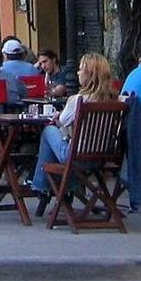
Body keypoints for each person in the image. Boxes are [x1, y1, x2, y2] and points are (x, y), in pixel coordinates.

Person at [30, 53, 118, 195]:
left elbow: (62, 122)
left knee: (49, 130)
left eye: (81, 69)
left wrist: (57, 117)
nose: (77, 72)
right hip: (104, 156)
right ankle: (63, 187)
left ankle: (41, 185)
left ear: (90, 74)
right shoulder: (115, 100)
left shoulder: (78, 100)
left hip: (77, 156)